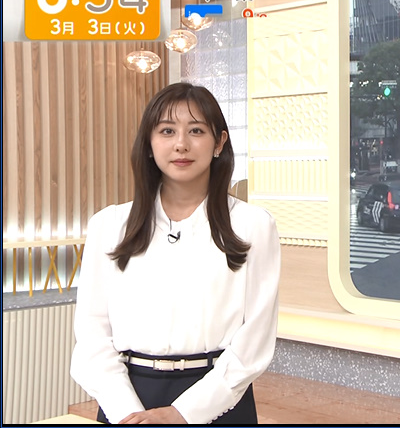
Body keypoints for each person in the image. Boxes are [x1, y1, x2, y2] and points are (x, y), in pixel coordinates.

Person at [70, 83, 281, 425]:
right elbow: (92, 334)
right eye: (167, 131)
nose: (181, 144)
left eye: (196, 131)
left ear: (219, 143)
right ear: (149, 143)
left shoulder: (253, 225)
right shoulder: (109, 225)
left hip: (218, 400)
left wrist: (184, 413)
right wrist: (128, 412)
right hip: (126, 399)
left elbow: (254, 340)